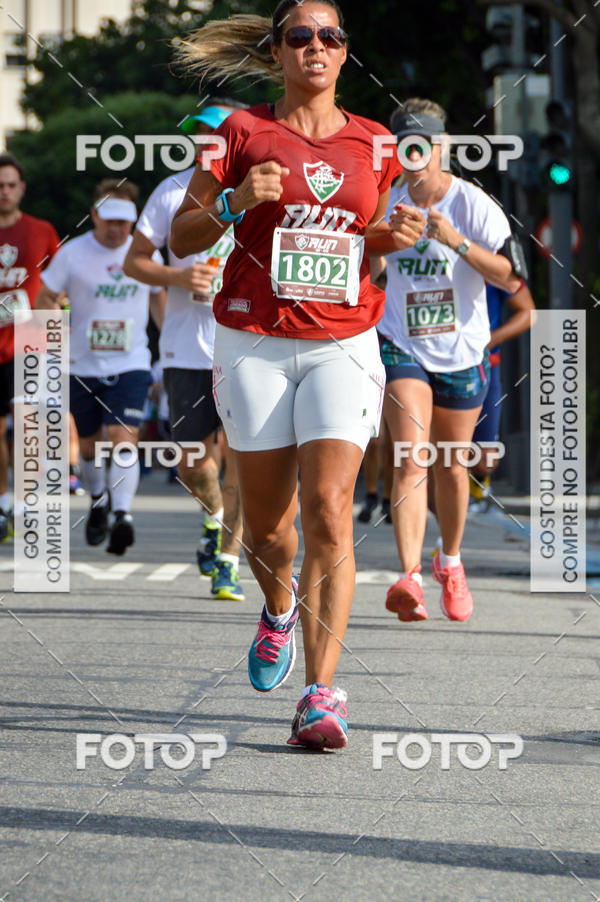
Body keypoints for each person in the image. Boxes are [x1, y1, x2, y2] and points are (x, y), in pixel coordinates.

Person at [171, 0, 425, 749]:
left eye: (331, 36)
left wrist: (394, 233)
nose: (317, 46)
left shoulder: (376, 143)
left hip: (344, 342)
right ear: (278, 51)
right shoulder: (236, 132)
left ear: (344, 54)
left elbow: (364, 235)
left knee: (328, 509)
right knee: (272, 532)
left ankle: (322, 694)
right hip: (250, 337)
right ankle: (277, 606)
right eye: (301, 36)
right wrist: (235, 198)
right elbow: (184, 233)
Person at [374, 97, 515, 625]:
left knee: (452, 466)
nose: (416, 155)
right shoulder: (385, 200)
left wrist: (454, 241)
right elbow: (368, 266)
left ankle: (449, 561)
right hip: (401, 342)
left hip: (460, 348)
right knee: (411, 454)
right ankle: (410, 575)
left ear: (442, 147)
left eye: (425, 145)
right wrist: (384, 240)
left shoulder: (474, 205)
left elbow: (510, 277)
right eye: (405, 145)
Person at [123, 100, 246, 602]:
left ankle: (228, 561)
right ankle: (213, 519)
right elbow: (135, 261)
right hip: (185, 350)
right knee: (193, 464)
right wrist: (178, 275)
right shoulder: (172, 190)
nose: (204, 144)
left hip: (245, 346)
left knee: (242, 459)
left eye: (215, 136)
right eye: (198, 135)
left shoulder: (260, 191)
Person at [35, 179, 166, 555]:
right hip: (81, 364)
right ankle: (98, 501)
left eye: (124, 222)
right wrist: (53, 329)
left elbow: (159, 300)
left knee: (124, 436)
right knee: (90, 447)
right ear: (94, 215)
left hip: (132, 361)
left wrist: (167, 347)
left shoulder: (146, 255)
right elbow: (45, 298)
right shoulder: (72, 254)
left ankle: (123, 515)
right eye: (108, 220)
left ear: (134, 220)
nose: (116, 229)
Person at [0, 152, 60, 537]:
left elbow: (57, 291)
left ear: (21, 189)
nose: (4, 192)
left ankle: (21, 505)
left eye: (10, 185)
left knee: (26, 427)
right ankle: (3, 502)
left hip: (28, 345)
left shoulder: (42, 232)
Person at [469, 278, 536, 511]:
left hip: (484, 365)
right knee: (440, 448)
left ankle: (477, 487)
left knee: (485, 458)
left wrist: (492, 339)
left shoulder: (496, 263)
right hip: (437, 362)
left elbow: (528, 312)